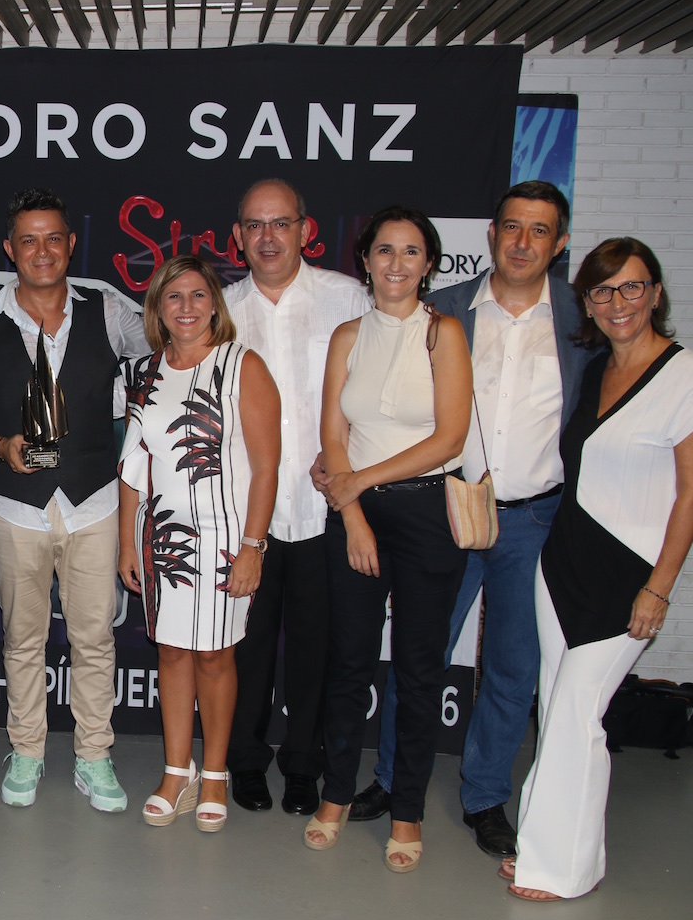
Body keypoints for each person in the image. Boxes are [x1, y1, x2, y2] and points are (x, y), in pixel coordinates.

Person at [353, 182, 591, 861]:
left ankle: (485, 796)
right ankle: (392, 780)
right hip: (445, 512)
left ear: (559, 243)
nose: (522, 242)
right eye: (512, 227)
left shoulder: (580, 320)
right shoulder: (444, 312)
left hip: (534, 519)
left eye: (539, 230)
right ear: (491, 234)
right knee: (418, 657)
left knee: (513, 666)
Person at [505, 238, 693, 901]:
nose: (618, 302)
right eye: (603, 291)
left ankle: (562, 869)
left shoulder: (684, 376)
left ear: (656, 293)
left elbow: (690, 496)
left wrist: (658, 589)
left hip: (629, 575)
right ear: (588, 302)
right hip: (563, 564)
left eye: (632, 287)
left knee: (579, 714)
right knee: (558, 706)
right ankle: (545, 846)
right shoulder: (594, 371)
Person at [0, 188, 150, 812]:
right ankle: (28, 750)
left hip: (95, 503)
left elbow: (164, 361)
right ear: (9, 249)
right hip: (16, 507)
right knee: (23, 639)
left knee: (94, 639)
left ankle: (94, 755)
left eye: (53, 238)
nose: (42, 251)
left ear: (71, 244)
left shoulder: (111, 313)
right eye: (28, 240)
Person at [309, 207, 472, 872]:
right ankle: (336, 795)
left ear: (428, 264)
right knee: (348, 663)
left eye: (410, 251)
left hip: (428, 513)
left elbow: (450, 438)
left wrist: (359, 482)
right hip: (354, 515)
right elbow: (332, 434)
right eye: (385, 250)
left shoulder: (444, 333)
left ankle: (407, 811)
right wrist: (352, 514)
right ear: (366, 260)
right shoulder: (347, 335)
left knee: (418, 670)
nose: (396, 263)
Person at [118, 255, 280, 832]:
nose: (186, 307)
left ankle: (214, 774)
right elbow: (134, 466)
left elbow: (266, 467)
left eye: (197, 295)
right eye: (173, 296)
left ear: (215, 303)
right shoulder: (144, 372)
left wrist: (253, 546)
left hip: (225, 539)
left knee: (215, 656)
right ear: (158, 308)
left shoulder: (243, 365)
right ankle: (175, 771)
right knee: (170, 652)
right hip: (161, 537)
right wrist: (126, 543)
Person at [224, 179, 369, 816]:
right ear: (238, 237)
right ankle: (245, 761)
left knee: (316, 648)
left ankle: (305, 764)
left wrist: (348, 454)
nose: (268, 237)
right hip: (247, 513)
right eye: (255, 225)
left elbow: (372, 392)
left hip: (325, 509)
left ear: (305, 230)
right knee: (246, 648)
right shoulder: (220, 309)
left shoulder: (347, 297)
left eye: (280, 223)